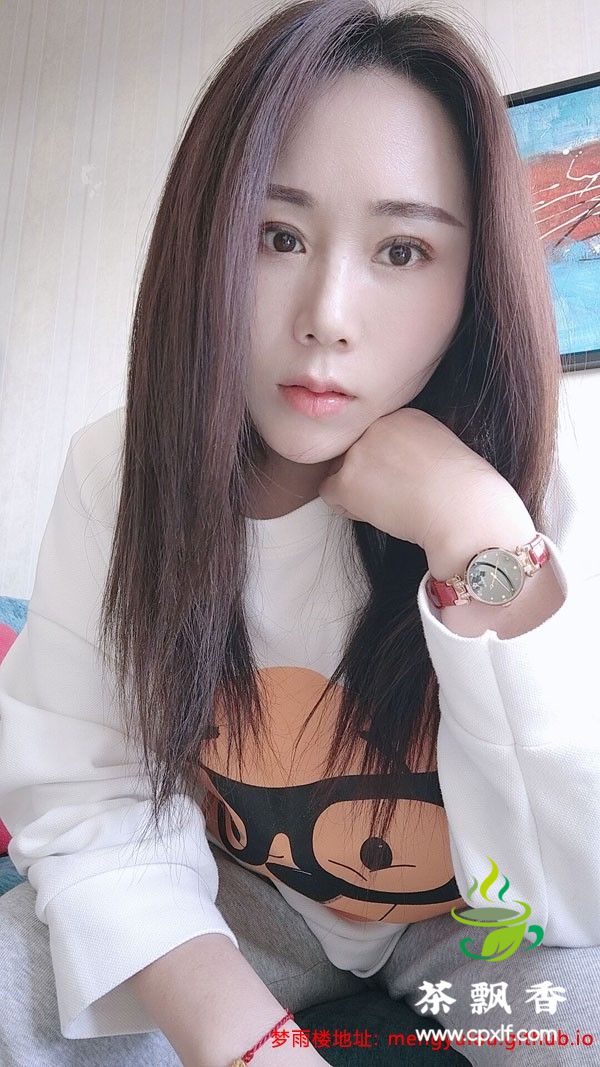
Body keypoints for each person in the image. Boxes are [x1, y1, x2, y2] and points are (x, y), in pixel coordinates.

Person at [0, 1, 598, 1065]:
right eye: (277, 237)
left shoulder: (537, 488)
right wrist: (254, 1046)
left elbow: (579, 877)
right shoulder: (120, 474)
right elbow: (92, 797)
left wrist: (476, 535)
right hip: (242, 894)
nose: (327, 313)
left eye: (404, 249)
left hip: (480, 917)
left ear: (474, 279)